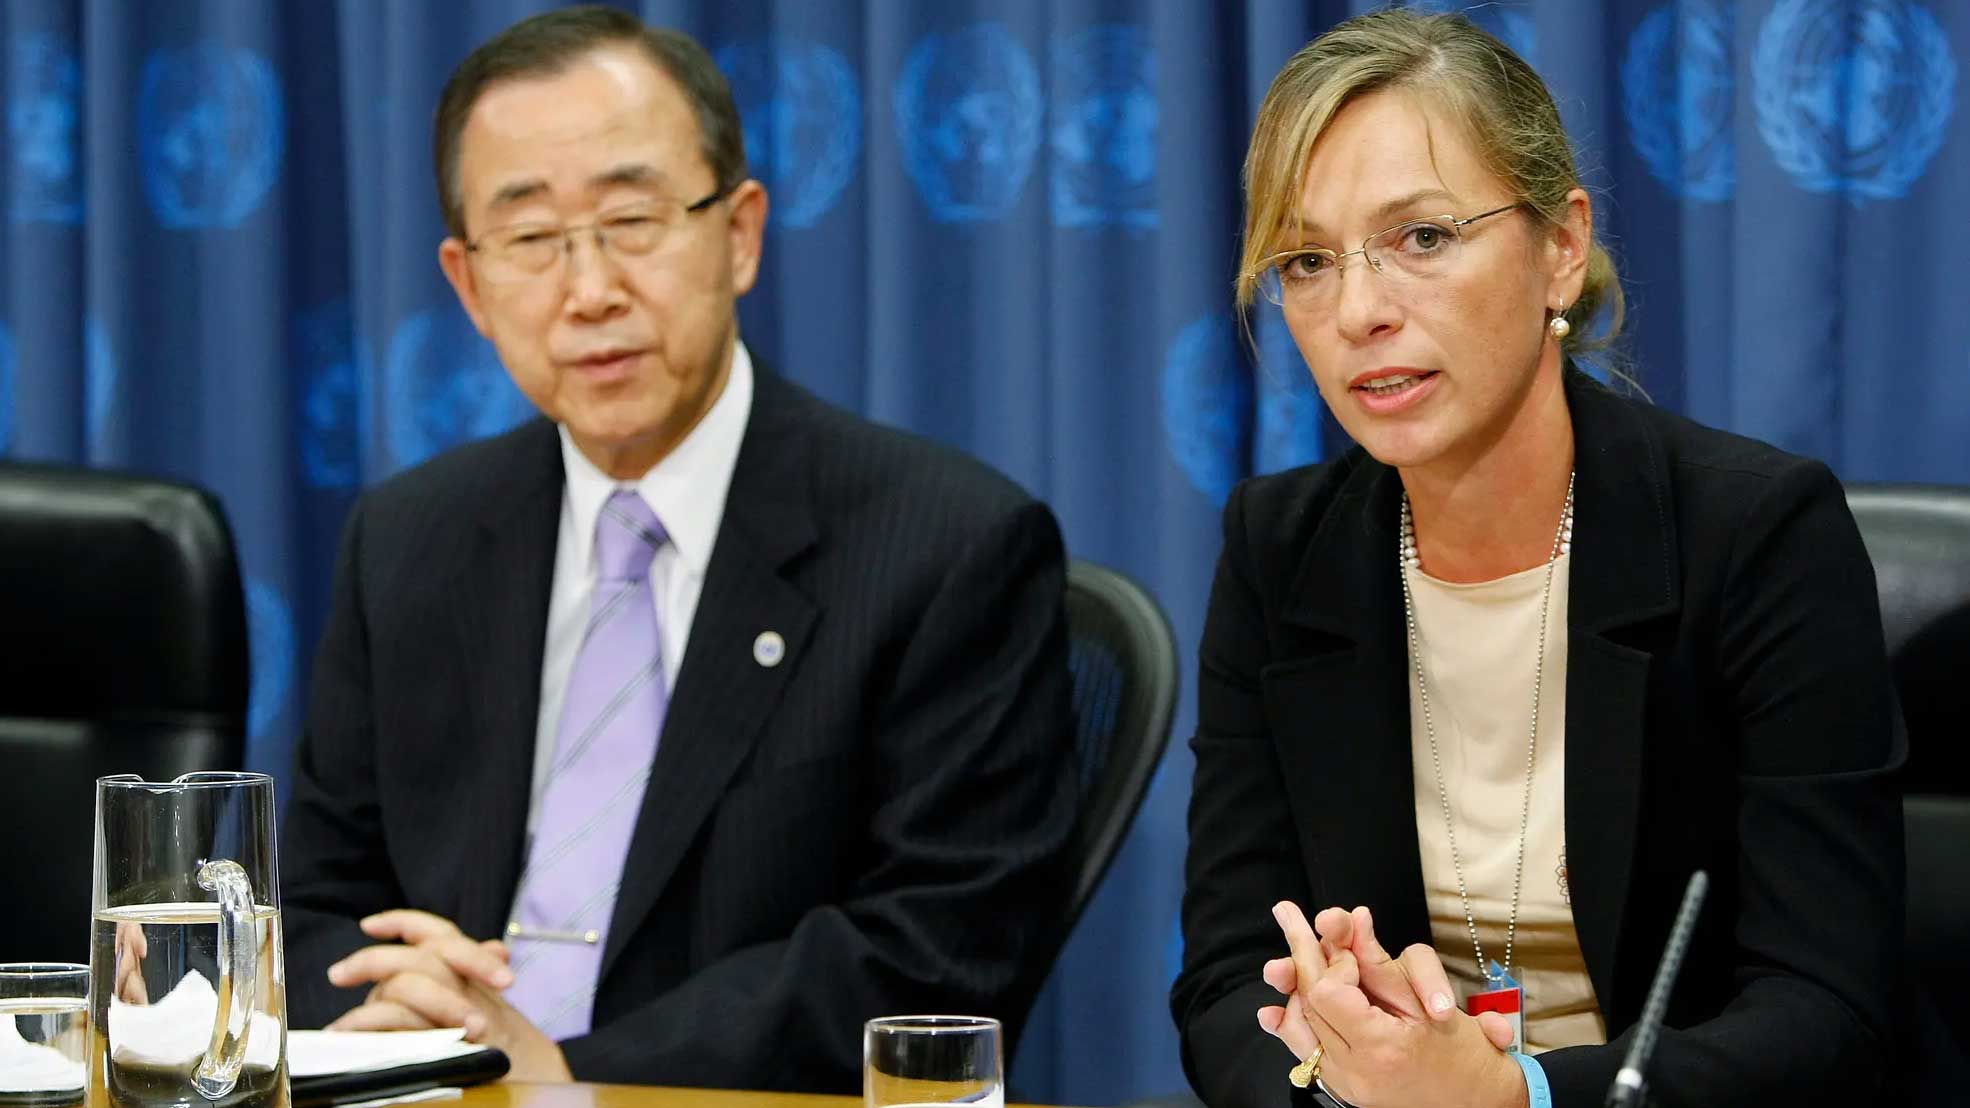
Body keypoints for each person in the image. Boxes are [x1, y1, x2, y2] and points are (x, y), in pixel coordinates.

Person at [280, 6, 1077, 1092]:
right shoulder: (410, 539)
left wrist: (557, 1069)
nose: (591, 289)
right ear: (467, 286)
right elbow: (319, 904)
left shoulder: (947, 547)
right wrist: (403, 1006)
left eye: (633, 218)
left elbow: (935, 958)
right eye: (530, 239)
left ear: (739, 233)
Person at [1170, 10, 1904, 1107]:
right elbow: (1228, 982)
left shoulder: (1754, 535)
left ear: (1559, 249)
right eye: (1308, 261)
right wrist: (1340, 1086)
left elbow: (1825, 1007)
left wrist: (1514, 1095)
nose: (1358, 310)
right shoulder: (1280, 552)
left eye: (1421, 238)